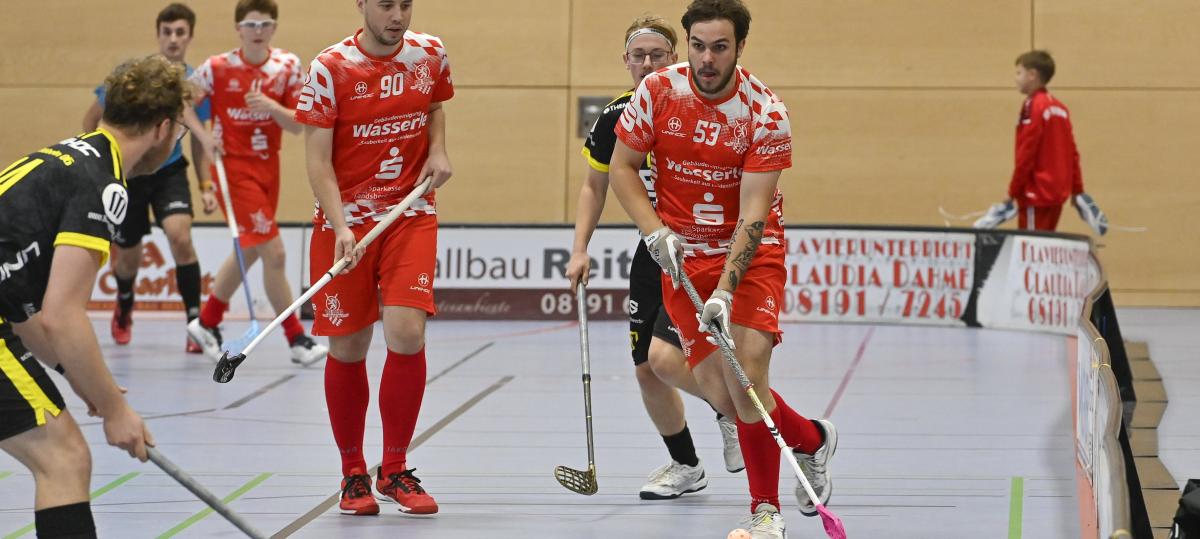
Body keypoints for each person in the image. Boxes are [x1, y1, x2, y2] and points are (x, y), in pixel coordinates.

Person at [608, 1, 837, 536]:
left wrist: (727, 291)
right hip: (682, 255)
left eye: (720, 47)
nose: (707, 59)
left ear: (739, 48)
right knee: (721, 389)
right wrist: (654, 231)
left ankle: (765, 511)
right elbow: (622, 166)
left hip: (748, 253)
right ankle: (809, 439)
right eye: (698, 46)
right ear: (686, 44)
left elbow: (755, 215)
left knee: (748, 370)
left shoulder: (764, 112)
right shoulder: (658, 91)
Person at [0, 54, 177, 539]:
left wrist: (76, 376)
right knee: (64, 458)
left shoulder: (67, 156)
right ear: (162, 128)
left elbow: (21, 307)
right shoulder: (103, 185)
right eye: (178, 132)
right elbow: (62, 314)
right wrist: (116, 410)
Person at [566, 14, 742, 501]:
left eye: (658, 55)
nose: (647, 64)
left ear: (677, 58)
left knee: (677, 360)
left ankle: (743, 416)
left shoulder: (695, 106)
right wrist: (580, 249)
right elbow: (594, 185)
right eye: (638, 56)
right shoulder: (617, 115)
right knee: (647, 366)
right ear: (625, 62)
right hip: (654, 252)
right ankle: (686, 465)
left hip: (705, 250)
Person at [295, 0, 453, 516]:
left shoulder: (429, 54)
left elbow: (433, 107)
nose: (397, 15)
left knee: (407, 332)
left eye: (406, 4)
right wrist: (341, 226)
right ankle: (352, 474)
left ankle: (395, 468)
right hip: (346, 223)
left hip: (410, 214)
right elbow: (317, 160)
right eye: (386, 4)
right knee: (349, 347)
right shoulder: (330, 68)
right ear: (361, 4)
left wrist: (438, 149)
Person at [184, 0, 327, 365]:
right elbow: (180, 102)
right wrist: (203, 136)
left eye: (265, 24)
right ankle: (296, 338)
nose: (258, 31)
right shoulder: (217, 67)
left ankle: (206, 321)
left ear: (274, 28)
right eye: (250, 24)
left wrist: (270, 107)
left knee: (248, 251)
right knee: (274, 253)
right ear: (239, 28)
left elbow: (298, 124)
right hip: (233, 169)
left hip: (268, 168)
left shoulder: (288, 66)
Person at [81, 3, 214, 353]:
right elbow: (91, 119)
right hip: (133, 173)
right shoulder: (135, 76)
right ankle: (125, 304)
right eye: (166, 32)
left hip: (169, 172)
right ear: (158, 36)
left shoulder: (197, 85)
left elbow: (202, 143)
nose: (173, 39)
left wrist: (206, 185)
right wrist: (107, 165)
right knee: (127, 258)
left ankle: (194, 323)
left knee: (180, 237)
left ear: (189, 37)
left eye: (180, 33)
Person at [1007, 50, 1085, 231]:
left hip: (1036, 192)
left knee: (1031, 250)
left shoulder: (1033, 105)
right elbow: (1072, 153)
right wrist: (1077, 190)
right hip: (1057, 193)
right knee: (1046, 247)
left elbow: (1027, 150)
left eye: (1019, 73)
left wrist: (1013, 191)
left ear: (1032, 75)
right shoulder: (1060, 108)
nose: (1015, 78)